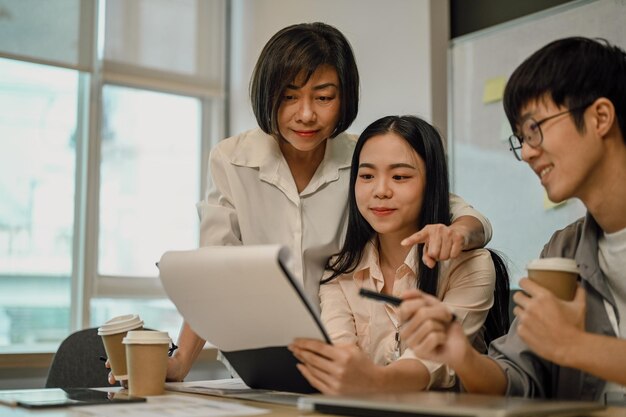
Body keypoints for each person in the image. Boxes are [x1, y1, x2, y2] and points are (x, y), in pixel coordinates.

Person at [107, 22, 493, 385]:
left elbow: (451, 208)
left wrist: (459, 232)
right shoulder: (232, 159)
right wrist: (179, 363)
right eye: (289, 97)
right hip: (260, 358)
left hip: (345, 353)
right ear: (267, 95)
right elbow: (215, 271)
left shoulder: (364, 159)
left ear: (344, 100)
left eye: (324, 97)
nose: (306, 114)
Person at [398, 37, 626, 401]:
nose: (529, 152)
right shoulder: (563, 249)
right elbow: (519, 379)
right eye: (521, 138)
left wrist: (573, 346)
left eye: (535, 128)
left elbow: (564, 348)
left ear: (600, 116)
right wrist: (460, 353)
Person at [289, 115, 509, 394]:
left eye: (400, 177)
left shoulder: (470, 265)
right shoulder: (341, 269)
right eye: (367, 176)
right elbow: (343, 357)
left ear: (432, 183)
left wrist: (373, 381)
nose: (380, 191)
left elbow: (434, 361)